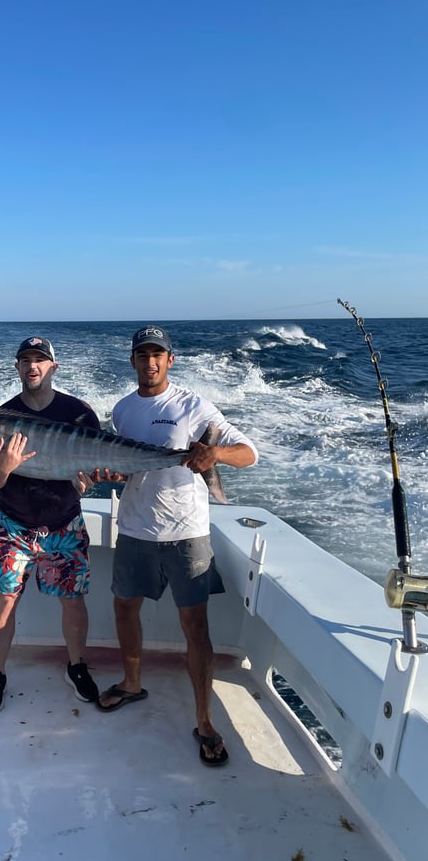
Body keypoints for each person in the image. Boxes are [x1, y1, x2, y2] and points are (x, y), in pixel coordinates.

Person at [97, 325, 258, 767]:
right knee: (124, 608)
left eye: (158, 355)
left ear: (170, 360)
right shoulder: (123, 410)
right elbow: (128, 465)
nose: (150, 362)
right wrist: (113, 472)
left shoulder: (193, 406)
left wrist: (215, 456)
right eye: (142, 355)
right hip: (134, 530)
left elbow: (249, 452)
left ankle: (204, 721)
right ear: (131, 360)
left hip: (187, 534)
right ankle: (132, 683)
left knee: (195, 627)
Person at [0, 336, 102, 713]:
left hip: (64, 523)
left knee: (73, 601)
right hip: (13, 523)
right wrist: (4, 466)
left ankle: (76, 666)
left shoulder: (79, 413)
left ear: (53, 368)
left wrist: (90, 479)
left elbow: (92, 471)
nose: (33, 366)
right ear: (16, 368)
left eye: (40, 360)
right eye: (25, 360)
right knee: (4, 601)